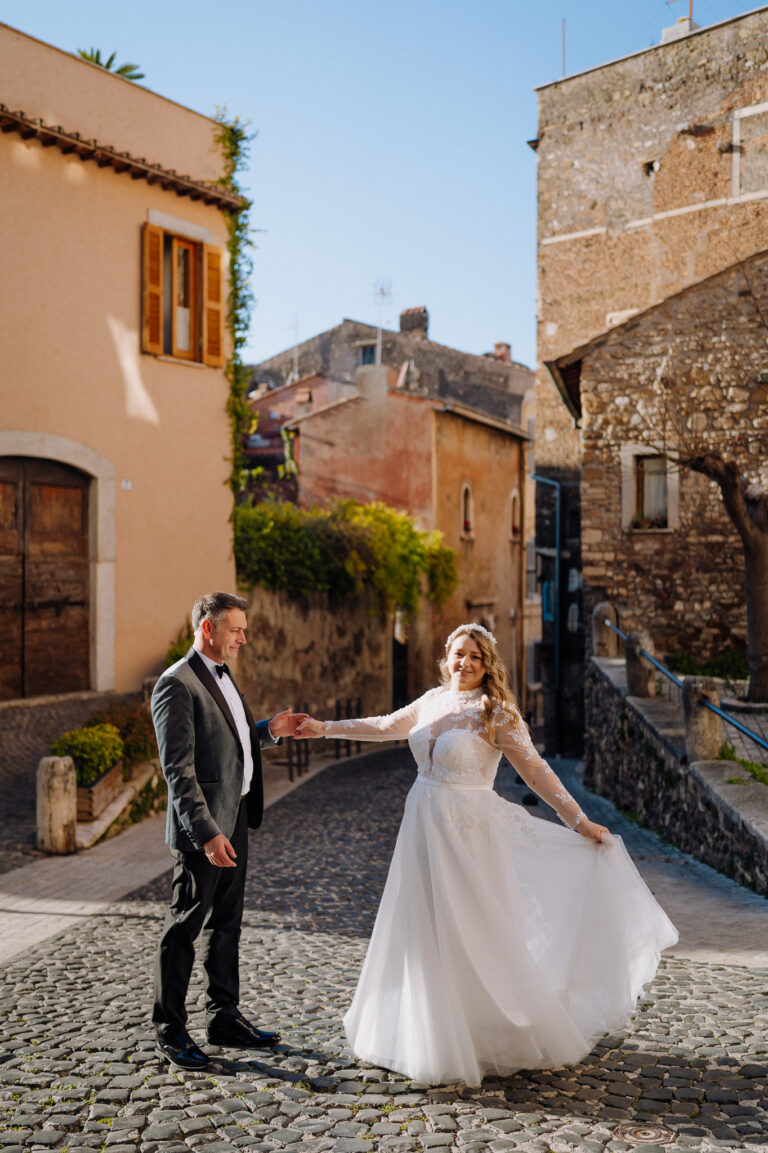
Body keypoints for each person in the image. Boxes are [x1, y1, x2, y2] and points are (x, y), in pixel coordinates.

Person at [297, 623, 678, 1087]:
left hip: (468, 836)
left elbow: (536, 771)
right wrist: (323, 729)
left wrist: (579, 821)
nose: (465, 663)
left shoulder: (496, 713)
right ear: (447, 655)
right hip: (421, 828)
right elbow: (385, 726)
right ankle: (420, 1032)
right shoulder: (433, 700)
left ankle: (482, 1032)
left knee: (470, 930)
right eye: (459, 654)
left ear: (487, 664)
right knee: (421, 926)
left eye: (475, 657)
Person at [151, 591, 306, 1071]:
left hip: (235, 816)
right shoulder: (175, 684)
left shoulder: (221, 675)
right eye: (236, 629)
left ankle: (223, 1017)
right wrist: (207, 833)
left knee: (228, 924)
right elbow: (178, 769)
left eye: (243, 628)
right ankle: (170, 1029)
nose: (243, 637)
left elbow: (229, 741)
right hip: (207, 826)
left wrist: (269, 730)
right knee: (185, 926)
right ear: (207, 629)